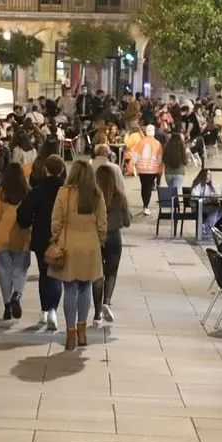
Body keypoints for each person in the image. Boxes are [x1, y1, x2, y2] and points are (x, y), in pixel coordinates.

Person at [48, 161, 107, 350]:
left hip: (69, 245)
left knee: (70, 289)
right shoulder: (97, 194)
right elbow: (102, 224)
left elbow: (56, 220)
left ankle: (70, 333)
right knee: (85, 287)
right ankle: (82, 331)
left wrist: (55, 238)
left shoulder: (64, 193)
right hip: (90, 246)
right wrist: (99, 241)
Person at [17, 155, 66, 330]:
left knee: (44, 273)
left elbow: (23, 213)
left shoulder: (37, 191)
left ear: (46, 169)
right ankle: (53, 309)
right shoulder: (67, 191)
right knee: (57, 273)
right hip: (61, 237)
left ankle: (44, 310)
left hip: (41, 237)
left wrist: (27, 223)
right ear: (62, 170)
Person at [0, 163, 32, 320]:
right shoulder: (27, 191)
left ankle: (7, 305)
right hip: (22, 237)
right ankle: (17, 294)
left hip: (2, 237)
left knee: (3, 272)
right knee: (20, 269)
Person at [92, 164, 131, 326]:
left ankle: (97, 314)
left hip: (96, 237)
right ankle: (107, 302)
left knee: (97, 274)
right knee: (112, 273)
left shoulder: (92, 196)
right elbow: (127, 221)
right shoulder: (119, 196)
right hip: (114, 237)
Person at [134, 125, 164, 215]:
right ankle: (146, 205)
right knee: (149, 187)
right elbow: (159, 158)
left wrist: (133, 164)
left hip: (142, 168)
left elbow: (136, 155)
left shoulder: (141, 142)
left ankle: (145, 204)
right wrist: (160, 168)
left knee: (144, 186)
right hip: (152, 169)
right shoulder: (157, 143)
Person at [191, 169, 222, 234]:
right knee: (214, 210)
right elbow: (194, 197)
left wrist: (214, 198)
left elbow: (211, 195)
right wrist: (206, 200)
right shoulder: (198, 185)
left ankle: (206, 226)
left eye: (210, 175)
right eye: (207, 174)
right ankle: (207, 229)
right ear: (203, 175)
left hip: (207, 206)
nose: (209, 176)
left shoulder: (208, 186)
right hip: (198, 207)